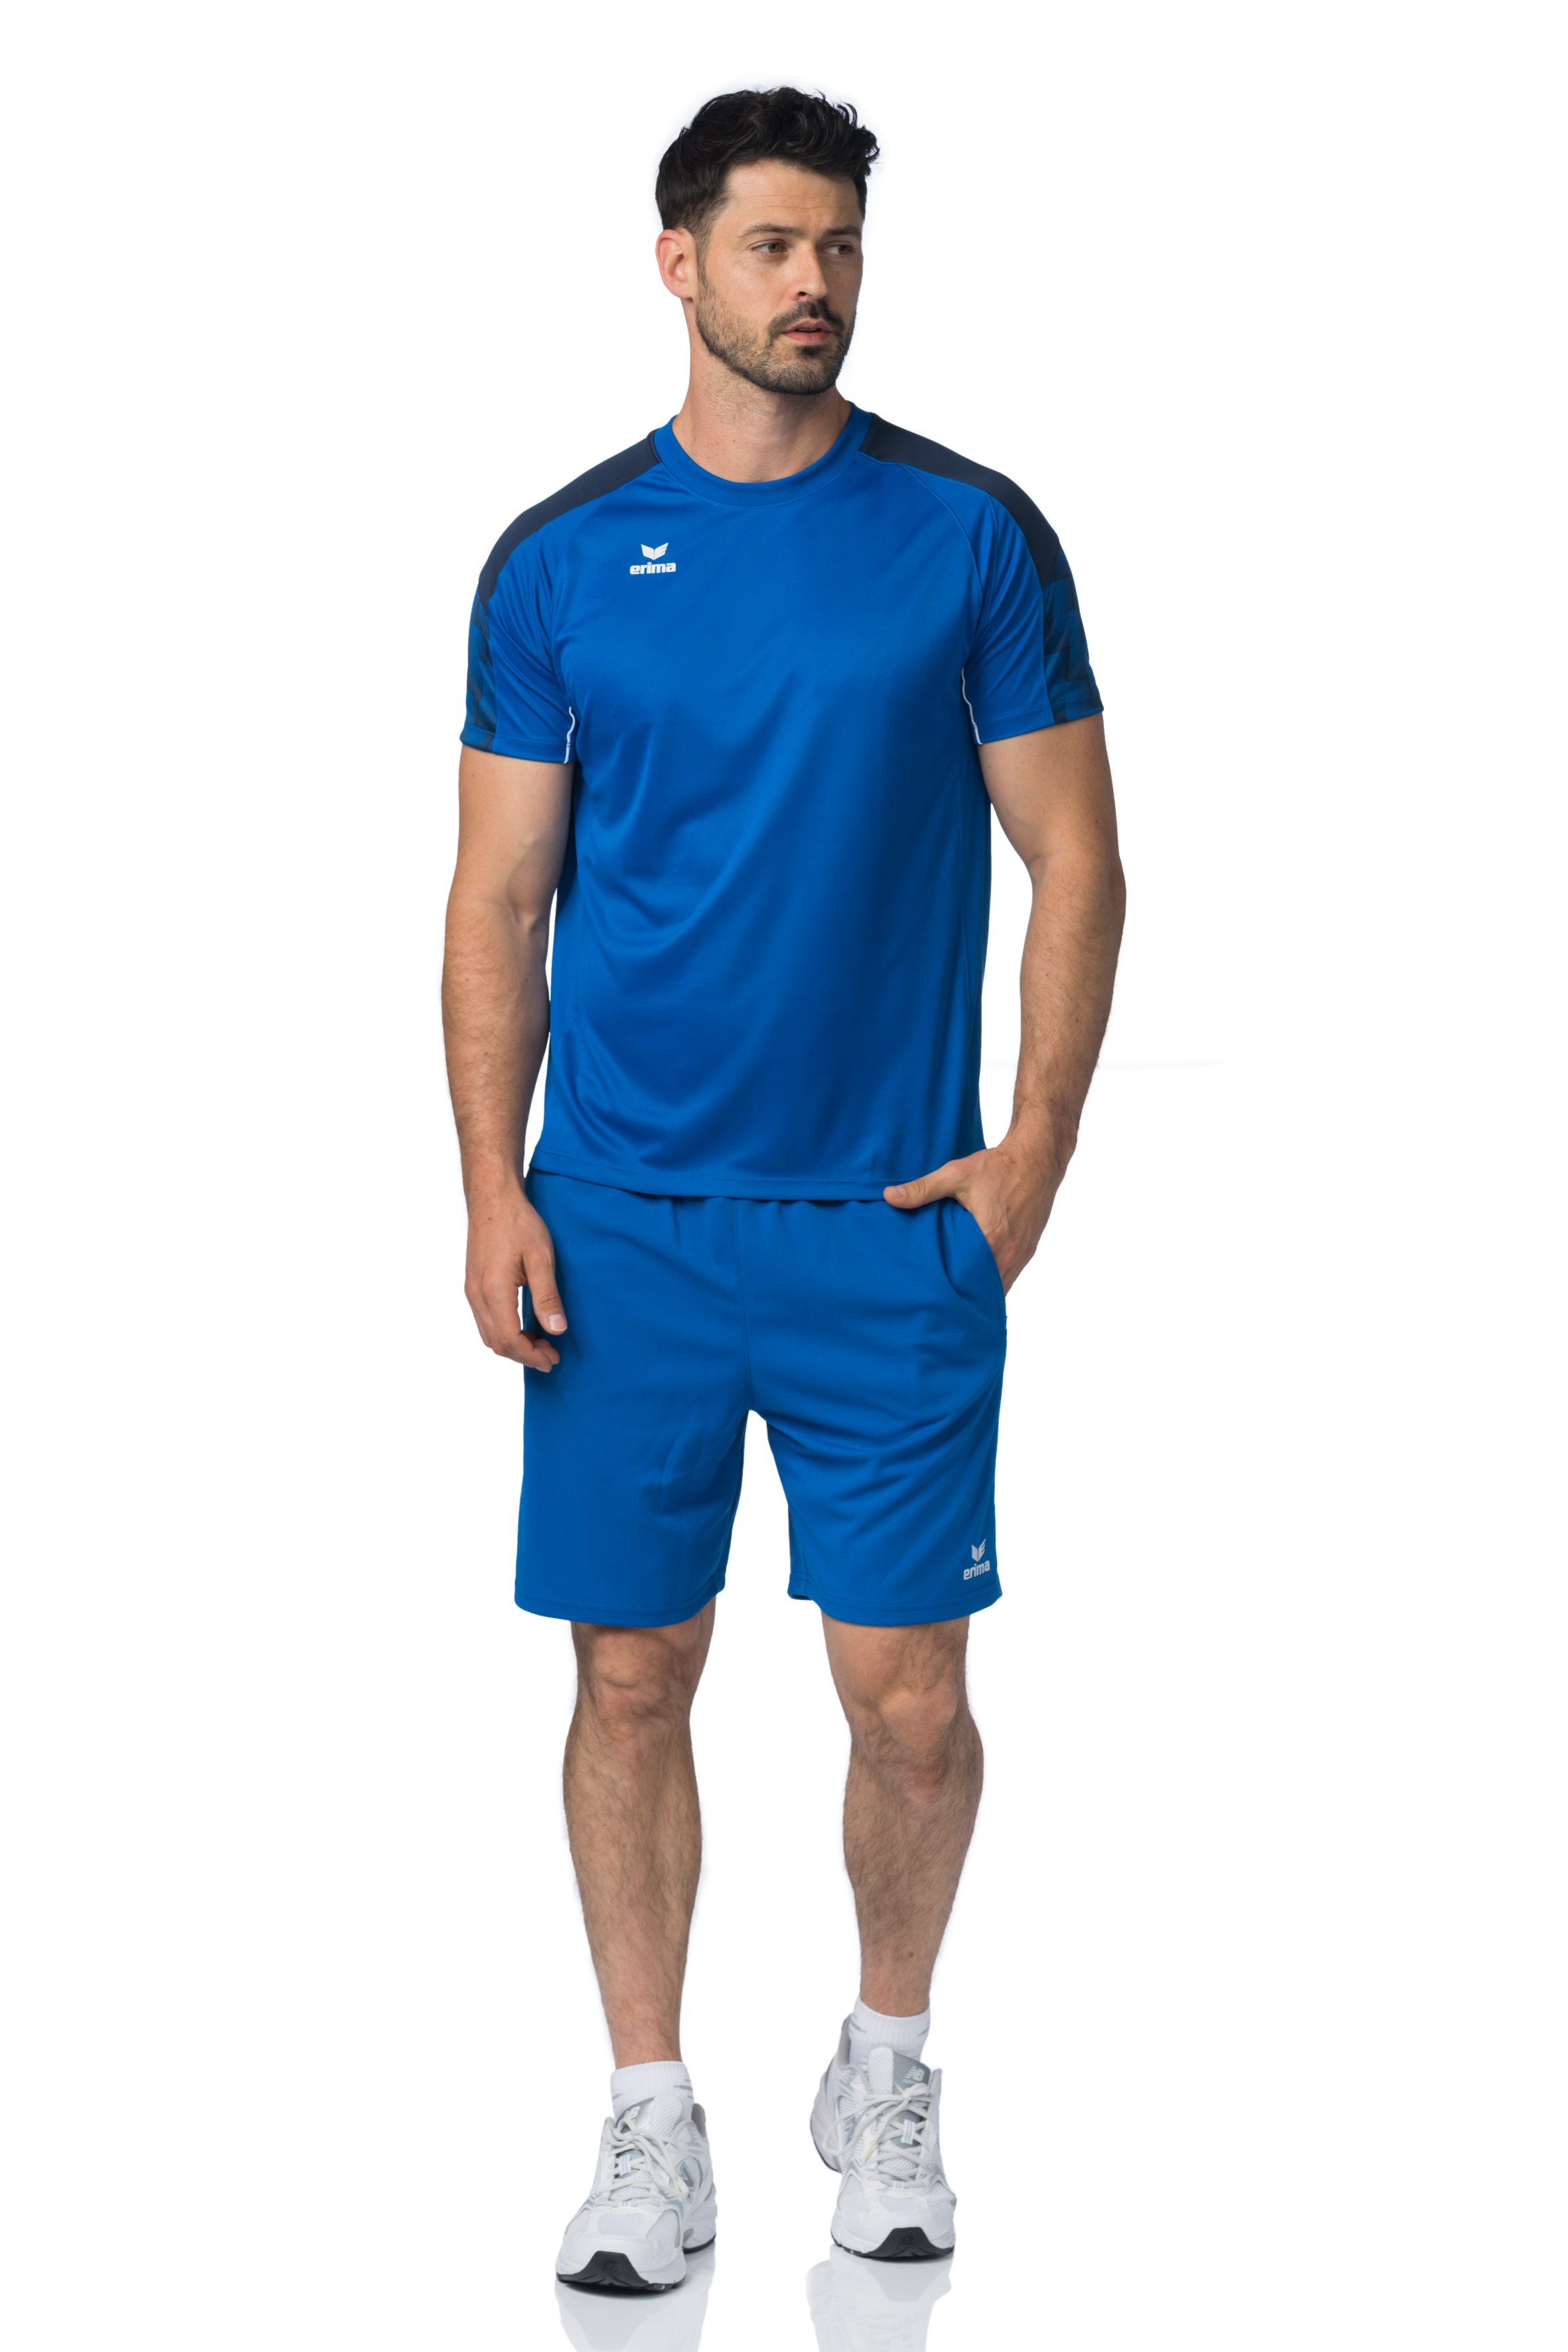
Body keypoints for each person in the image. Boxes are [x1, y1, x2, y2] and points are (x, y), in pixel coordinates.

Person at [442, 86, 1125, 2294]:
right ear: (678, 264)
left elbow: (1077, 859)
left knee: (907, 1699)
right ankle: (649, 2123)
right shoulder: (560, 559)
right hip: (622, 1224)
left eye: (837, 246)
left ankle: (887, 2071)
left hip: (884, 1230)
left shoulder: (967, 537)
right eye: (770, 245)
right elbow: (498, 900)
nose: (811, 282)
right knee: (629, 1677)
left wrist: (1029, 1161)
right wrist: (491, 1188)